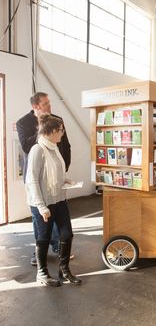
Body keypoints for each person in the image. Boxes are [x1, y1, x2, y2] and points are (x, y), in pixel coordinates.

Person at [25, 114, 81, 286]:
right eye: (60, 131)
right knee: (44, 237)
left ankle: (64, 271)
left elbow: (55, 173)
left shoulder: (54, 148)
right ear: (50, 131)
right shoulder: (38, 150)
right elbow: (32, 180)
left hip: (59, 199)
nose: (62, 134)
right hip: (42, 203)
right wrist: (41, 207)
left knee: (67, 234)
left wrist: (66, 180)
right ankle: (42, 274)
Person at [16, 92, 71, 265]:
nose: (49, 106)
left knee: (56, 210)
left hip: (56, 174)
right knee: (40, 216)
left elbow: (65, 145)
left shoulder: (57, 119)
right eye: (46, 103)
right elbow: (25, 146)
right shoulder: (23, 122)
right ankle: (39, 252)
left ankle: (58, 246)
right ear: (36, 107)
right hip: (35, 174)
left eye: (49, 102)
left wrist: (64, 168)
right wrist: (42, 130)